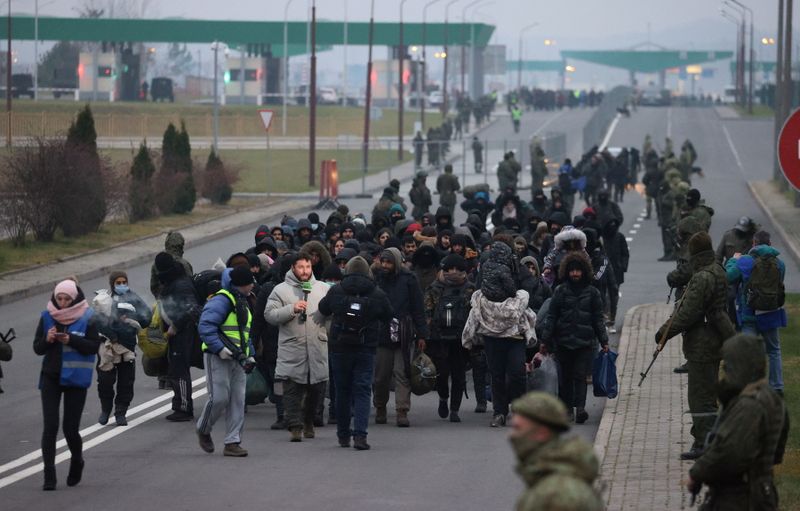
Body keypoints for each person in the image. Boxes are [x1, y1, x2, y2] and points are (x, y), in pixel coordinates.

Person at [655, 232, 736, 460]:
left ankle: (704, 443)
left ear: (694, 253)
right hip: (714, 338)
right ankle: (708, 438)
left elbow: (687, 313)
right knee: (708, 395)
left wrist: (664, 333)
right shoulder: (717, 269)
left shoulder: (702, 277)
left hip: (702, 342)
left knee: (699, 398)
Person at [687, 334, 788, 510]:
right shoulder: (771, 397)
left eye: (729, 367)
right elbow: (777, 451)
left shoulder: (749, 407)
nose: (725, 373)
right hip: (760, 489)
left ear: (741, 366)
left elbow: (729, 453)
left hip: (740, 497)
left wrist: (697, 473)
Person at [319, 257, 394, 450]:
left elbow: (323, 308)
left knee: (342, 391)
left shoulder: (337, 290)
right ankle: (360, 435)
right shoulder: (376, 293)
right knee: (362, 391)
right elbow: (388, 314)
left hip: (340, 348)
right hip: (365, 348)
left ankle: (343, 435)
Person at [34, 279, 101, 491]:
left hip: (76, 380)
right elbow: (38, 348)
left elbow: (92, 347)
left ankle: (77, 461)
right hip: (50, 377)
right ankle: (49, 475)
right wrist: (48, 339)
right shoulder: (47, 316)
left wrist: (70, 339)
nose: (62, 303)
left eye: (66, 299)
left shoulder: (88, 317)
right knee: (50, 426)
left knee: (70, 429)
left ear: (74, 299)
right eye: (59, 298)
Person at [463, 242, 537, 428]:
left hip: (514, 337)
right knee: (496, 375)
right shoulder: (488, 268)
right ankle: (499, 412)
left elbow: (529, 286)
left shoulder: (517, 268)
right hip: (492, 335)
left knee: (517, 373)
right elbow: (482, 291)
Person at [265, 253, 330, 442]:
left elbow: (332, 314)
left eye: (308, 267)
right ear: (293, 268)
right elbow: (269, 315)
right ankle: (294, 425)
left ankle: (308, 421)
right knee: (292, 391)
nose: (305, 271)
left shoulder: (322, 288)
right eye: (301, 267)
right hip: (292, 348)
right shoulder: (280, 290)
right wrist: (291, 309)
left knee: (315, 391)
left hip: (317, 348)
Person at [541, 251, 609, 424]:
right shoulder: (560, 291)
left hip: (585, 342)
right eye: (572, 271)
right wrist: (546, 340)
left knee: (580, 376)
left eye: (578, 270)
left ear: (584, 271)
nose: (575, 274)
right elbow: (552, 317)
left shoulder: (593, 293)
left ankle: (580, 408)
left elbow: (597, 319)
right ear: (567, 272)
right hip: (563, 342)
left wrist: (604, 341)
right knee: (565, 377)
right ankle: (567, 409)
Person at [196, 267, 257, 457]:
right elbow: (205, 326)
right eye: (250, 282)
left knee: (238, 400)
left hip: (239, 359)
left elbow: (245, 333)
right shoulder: (221, 301)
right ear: (241, 284)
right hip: (218, 357)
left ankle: (233, 442)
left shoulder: (243, 302)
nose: (252, 285)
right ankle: (203, 429)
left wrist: (250, 354)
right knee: (220, 398)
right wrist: (219, 349)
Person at [509, 392, 604, 511]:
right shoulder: (549, 478)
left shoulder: (558, 495)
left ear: (542, 433)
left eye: (518, 428)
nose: (511, 436)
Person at [725, 230, 787, 394]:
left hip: (749, 314)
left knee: (748, 352)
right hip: (770, 313)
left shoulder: (746, 261)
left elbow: (728, 276)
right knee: (774, 350)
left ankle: (750, 387)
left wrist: (733, 260)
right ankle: (777, 386)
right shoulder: (779, 264)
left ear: (754, 244)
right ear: (770, 244)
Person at [373, 248, 429, 427]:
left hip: (404, 334)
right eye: (383, 261)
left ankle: (401, 410)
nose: (385, 265)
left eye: (388, 262)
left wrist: (422, 334)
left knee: (402, 372)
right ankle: (380, 407)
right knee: (381, 376)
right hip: (382, 334)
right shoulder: (377, 279)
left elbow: (418, 308)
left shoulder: (409, 280)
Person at [424, 254, 475, 423]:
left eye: (456, 269)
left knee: (459, 375)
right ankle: (443, 398)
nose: (453, 272)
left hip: (461, 339)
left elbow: (474, 313)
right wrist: (426, 334)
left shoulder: (470, 289)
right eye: (449, 269)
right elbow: (427, 311)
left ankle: (455, 409)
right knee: (441, 373)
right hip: (439, 338)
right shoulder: (435, 288)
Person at [96, 271, 151, 427]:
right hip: (107, 346)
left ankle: (120, 412)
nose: (121, 285)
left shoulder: (133, 298)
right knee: (105, 380)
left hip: (127, 346)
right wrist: (112, 335)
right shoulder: (104, 299)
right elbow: (96, 320)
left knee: (126, 382)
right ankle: (105, 410)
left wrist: (132, 319)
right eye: (118, 283)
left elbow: (147, 317)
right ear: (112, 284)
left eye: (124, 282)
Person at [154, 252, 199, 422]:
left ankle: (184, 407)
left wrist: (175, 326)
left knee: (179, 370)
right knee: (175, 370)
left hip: (184, 333)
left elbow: (191, 308)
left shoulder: (180, 285)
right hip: (179, 333)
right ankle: (179, 404)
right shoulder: (174, 280)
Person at [150, 231, 193, 298]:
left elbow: (153, 286)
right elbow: (191, 285)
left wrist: (161, 298)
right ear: (181, 246)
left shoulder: (157, 263)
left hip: (164, 301)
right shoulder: (185, 264)